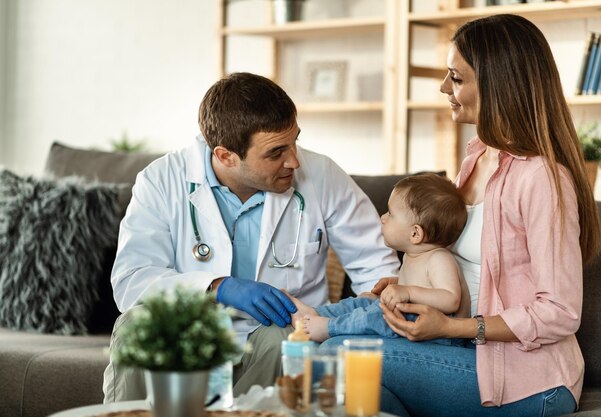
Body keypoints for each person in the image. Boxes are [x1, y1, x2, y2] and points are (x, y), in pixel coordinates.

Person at [321, 14, 601, 417]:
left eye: (455, 77)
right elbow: (460, 265)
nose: (443, 88)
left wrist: (451, 327)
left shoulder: (540, 177)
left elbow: (559, 311)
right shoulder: (475, 158)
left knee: (340, 351)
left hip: (529, 380)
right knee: (358, 389)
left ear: (496, 83)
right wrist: (408, 284)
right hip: (461, 352)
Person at [102, 72, 400, 402]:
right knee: (135, 327)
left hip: (280, 336)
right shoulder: (161, 180)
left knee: (281, 339)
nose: (294, 161)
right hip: (191, 332)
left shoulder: (322, 175)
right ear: (225, 155)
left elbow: (377, 267)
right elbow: (132, 282)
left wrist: (379, 303)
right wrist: (217, 287)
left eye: (294, 141)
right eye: (275, 153)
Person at [288, 173, 470, 343]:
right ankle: (316, 313)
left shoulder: (439, 259)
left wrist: (407, 291)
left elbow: (450, 299)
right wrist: (393, 291)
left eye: (390, 214)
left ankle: (329, 327)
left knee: (375, 314)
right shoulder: (414, 255)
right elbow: (424, 287)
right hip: (409, 317)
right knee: (364, 301)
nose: (383, 218)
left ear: (415, 233)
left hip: (438, 336)